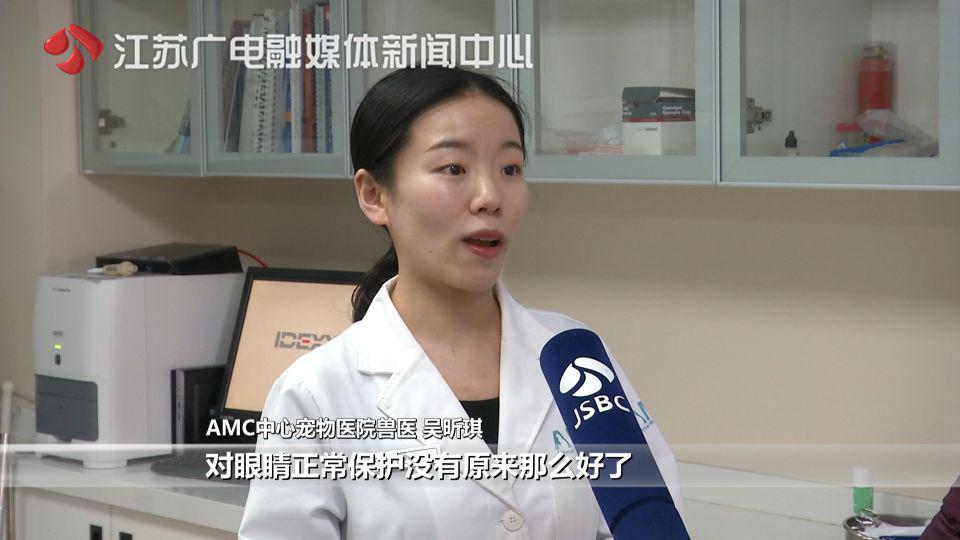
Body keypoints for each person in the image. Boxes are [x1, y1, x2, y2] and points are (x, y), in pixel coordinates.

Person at [238, 66, 686, 540]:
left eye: (510, 169)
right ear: (374, 195)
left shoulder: (574, 357)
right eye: (454, 168)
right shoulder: (316, 395)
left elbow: (649, 523)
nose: (490, 197)